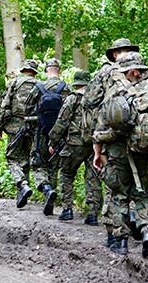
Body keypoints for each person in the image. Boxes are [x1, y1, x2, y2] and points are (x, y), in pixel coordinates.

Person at [93, 52, 148, 258]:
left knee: (119, 196)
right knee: (143, 196)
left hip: (118, 153)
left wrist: (98, 153)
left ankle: (121, 242)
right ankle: (147, 232)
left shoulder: (115, 93)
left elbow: (100, 127)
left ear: (128, 71)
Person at [84, 38, 141, 247]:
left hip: (112, 135)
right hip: (142, 136)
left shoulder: (104, 73)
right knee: (139, 181)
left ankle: (114, 234)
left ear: (115, 54)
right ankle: (136, 217)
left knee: (114, 185)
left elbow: (88, 101)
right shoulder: (143, 70)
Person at [48, 70, 102, 224]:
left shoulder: (72, 98)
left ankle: (67, 209)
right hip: (94, 143)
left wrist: (53, 141)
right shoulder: (97, 99)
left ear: (76, 84)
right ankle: (92, 214)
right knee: (93, 178)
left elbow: (62, 122)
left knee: (66, 174)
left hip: (74, 144)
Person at [24, 58, 70, 215]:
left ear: (46, 70)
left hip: (40, 132)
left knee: (38, 164)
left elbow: (27, 109)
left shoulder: (39, 87)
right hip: (61, 134)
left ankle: (46, 189)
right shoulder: (66, 88)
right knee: (54, 165)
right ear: (60, 70)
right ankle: (51, 196)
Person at [0, 59, 39, 208]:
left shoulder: (14, 83)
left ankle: (22, 183)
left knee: (12, 157)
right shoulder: (40, 85)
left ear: (24, 70)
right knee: (26, 157)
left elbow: (4, 105)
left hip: (16, 126)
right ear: (34, 72)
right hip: (33, 126)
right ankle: (22, 194)